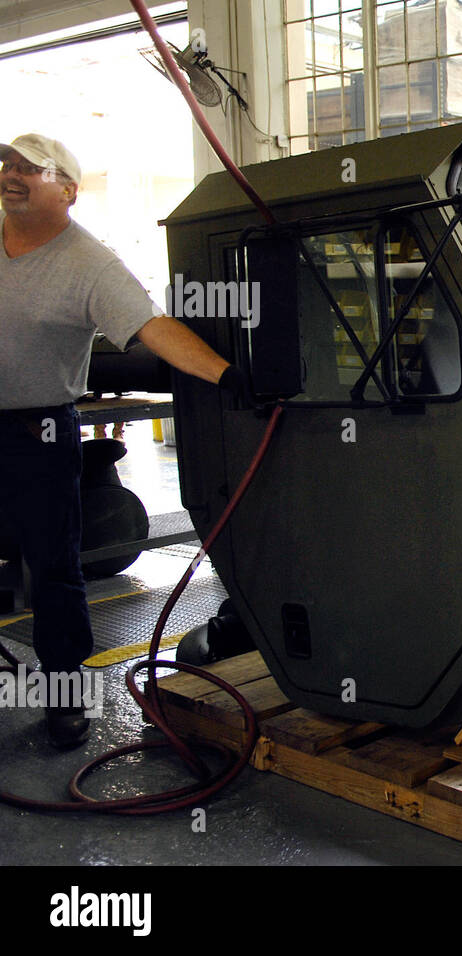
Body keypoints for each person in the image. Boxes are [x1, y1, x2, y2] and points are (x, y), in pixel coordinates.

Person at [1, 133, 250, 748]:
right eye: (7, 164)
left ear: (67, 190)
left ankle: (63, 696)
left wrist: (228, 376)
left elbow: (152, 328)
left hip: (39, 429)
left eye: (30, 169)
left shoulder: (89, 264)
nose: (11, 174)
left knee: (53, 567)